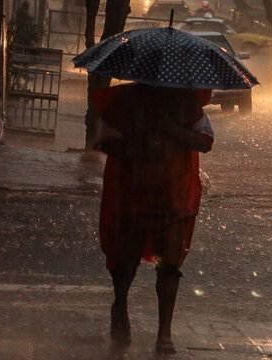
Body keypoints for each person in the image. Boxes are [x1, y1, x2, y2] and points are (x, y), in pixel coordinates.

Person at [93, 83, 214, 353]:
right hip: (133, 194)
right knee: (125, 260)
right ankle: (121, 306)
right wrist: (137, 139)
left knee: (169, 264)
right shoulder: (125, 102)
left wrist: (171, 129)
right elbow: (103, 140)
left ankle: (164, 333)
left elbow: (205, 141)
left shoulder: (187, 104)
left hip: (173, 196)